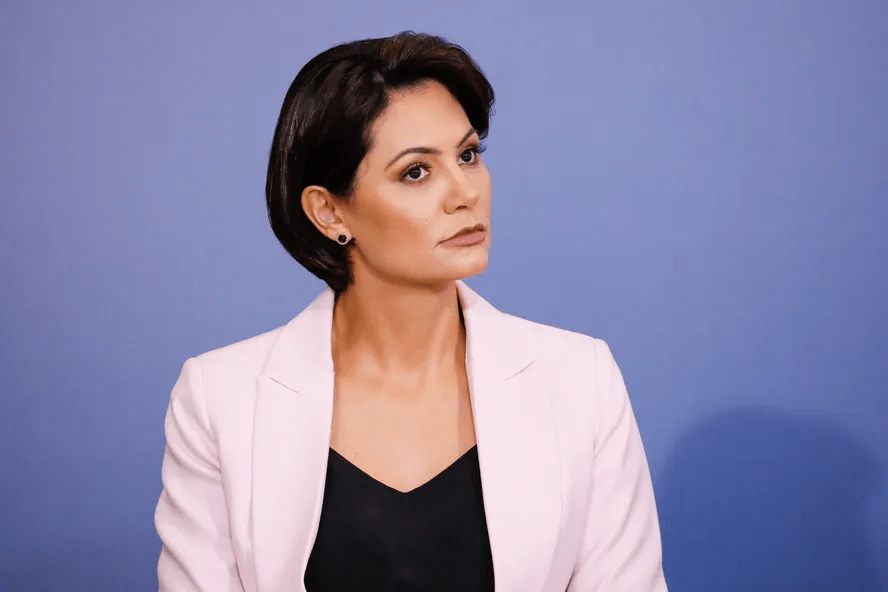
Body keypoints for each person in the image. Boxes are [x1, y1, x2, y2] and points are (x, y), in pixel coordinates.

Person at [154, 31, 668, 592]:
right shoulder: (221, 399)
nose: (465, 193)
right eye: (416, 172)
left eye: (468, 155)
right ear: (329, 212)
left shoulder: (580, 381)